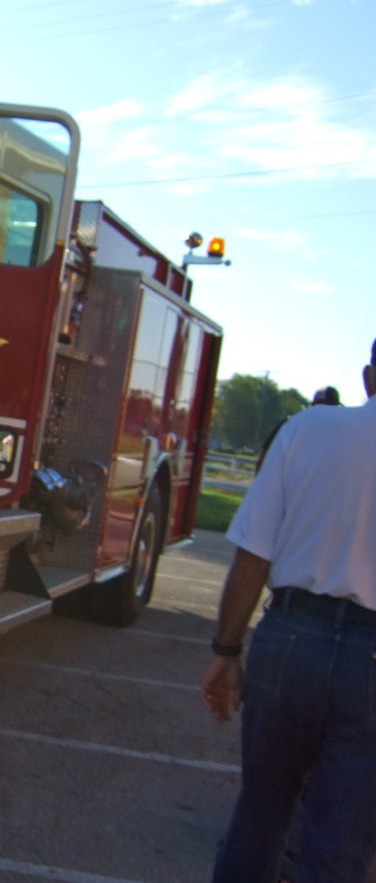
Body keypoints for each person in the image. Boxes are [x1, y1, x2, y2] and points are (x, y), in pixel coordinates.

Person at [201, 341, 376, 882]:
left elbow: (254, 552)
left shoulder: (307, 430)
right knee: (340, 840)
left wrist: (226, 651)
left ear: (369, 377)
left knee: (261, 813)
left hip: (291, 637)